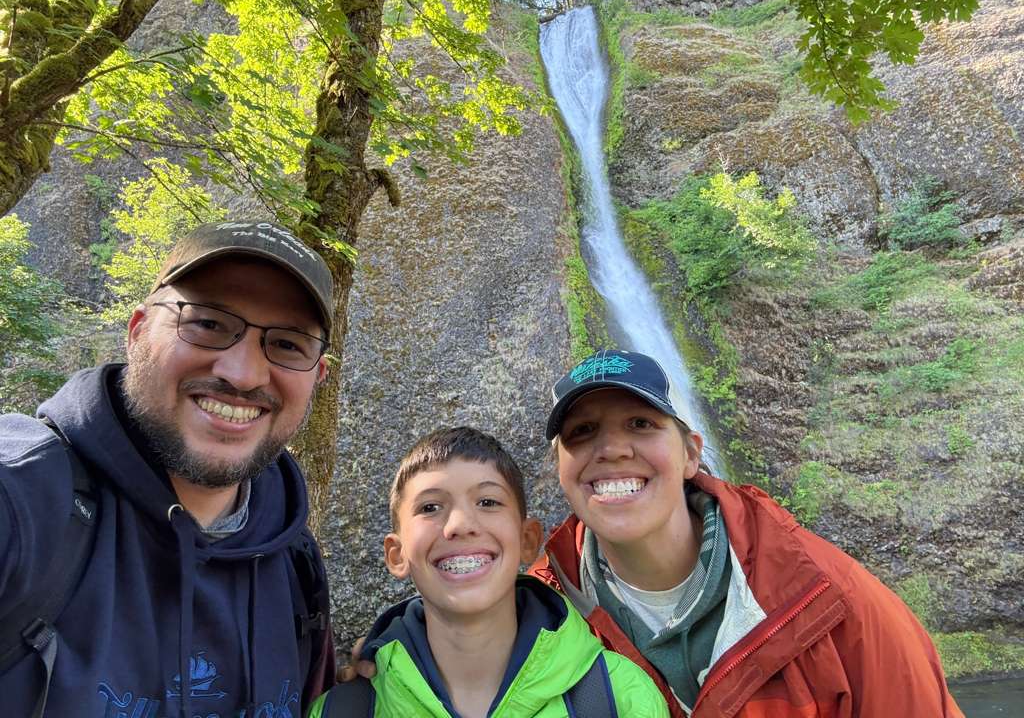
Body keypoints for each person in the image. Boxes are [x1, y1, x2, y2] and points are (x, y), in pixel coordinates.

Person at [0, 221, 337, 718]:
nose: (241, 373)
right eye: (208, 324)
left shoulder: (294, 560)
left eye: (287, 344)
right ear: (137, 331)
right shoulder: (25, 497)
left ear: (318, 376)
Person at [529, 348, 965, 718]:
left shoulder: (833, 601)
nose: (612, 449)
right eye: (582, 432)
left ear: (690, 455)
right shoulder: (531, 615)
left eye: (641, 423)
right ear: (560, 470)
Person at [311, 426, 669, 718]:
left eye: (488, 502)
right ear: (397, 554)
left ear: (528, 540)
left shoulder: (620, 698)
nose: (461, 524)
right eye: (430, 507)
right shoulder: (342, 710)